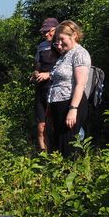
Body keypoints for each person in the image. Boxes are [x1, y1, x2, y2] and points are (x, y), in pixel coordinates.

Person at [48, 20, 91, 157]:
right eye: (57, 41)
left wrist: (73, 110)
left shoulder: (80, 54)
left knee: (69, 146)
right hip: (59, 106)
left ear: (74, 35)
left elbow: (80, 84)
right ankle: (61, 176)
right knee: (59, 145)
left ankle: (73, 176)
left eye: (62, 39)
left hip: (70, 105)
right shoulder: (64, 55)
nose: (59, 44)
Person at [30, 18, 60, 151]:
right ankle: (44, 156)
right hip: (41, 89)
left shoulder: (62, 45)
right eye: (44, 33)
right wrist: (35, 73)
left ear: (56, 30)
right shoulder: (41, 46)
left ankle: (57, 155)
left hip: (56, 91)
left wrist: (48, 75)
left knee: (54, 125)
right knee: (41, 126)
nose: (46, 35)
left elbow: (68, 69)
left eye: (49, 31)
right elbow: (37, 64)